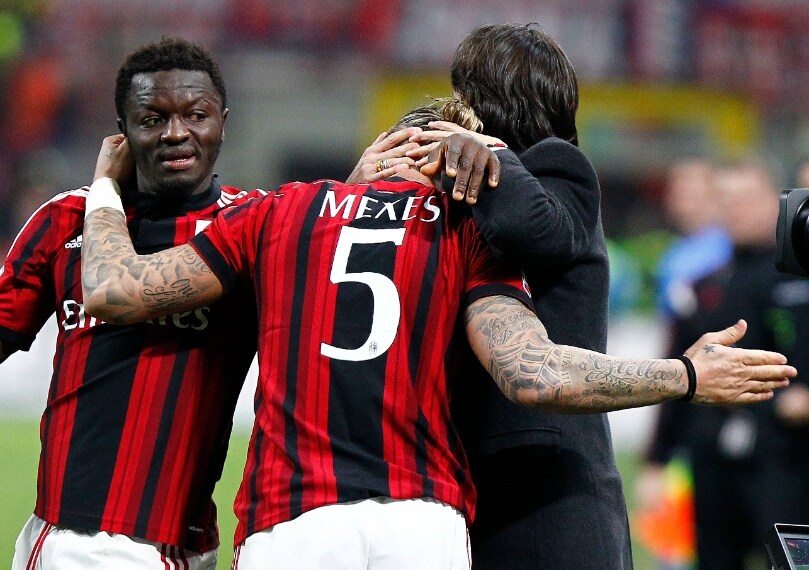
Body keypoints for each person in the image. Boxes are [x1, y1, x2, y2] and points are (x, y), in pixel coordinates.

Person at [78, 100, 794, 569]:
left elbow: (114, 290)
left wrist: (106, 187)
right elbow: (536, 375)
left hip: (293, 520)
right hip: (419, 525)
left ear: (381, 147)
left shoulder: (279, 213)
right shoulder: (465, 238)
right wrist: (686, 375)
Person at [352, 22, 636, 568]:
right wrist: (356, 188)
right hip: (466, 480)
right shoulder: (471, 198)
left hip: (549, 490)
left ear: (492, 99)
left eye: (465, 90)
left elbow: (535, 231)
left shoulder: (559, 168)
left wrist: (488, 153)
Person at [0, 38, 264, 569]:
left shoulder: (258, 226)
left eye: (196, 115)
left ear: (223, 122)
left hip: (191, 544)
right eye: (152, 118)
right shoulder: (64, 219)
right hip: (78, 542)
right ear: (121, 131)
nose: (175, 133)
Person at [643, 158, 809, 569]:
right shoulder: (702, 286)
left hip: (783, 457)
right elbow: (678, 370)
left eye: (747, 199)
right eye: (727, 200)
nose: (737, 210)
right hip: (712, 456)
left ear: (775, 201)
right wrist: (657, 459)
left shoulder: (799, 278)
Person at [655, 158, 732, 322]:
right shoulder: (675, 250)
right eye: (678, 193)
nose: (682, 201)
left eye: (692, 193)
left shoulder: (728, 245)